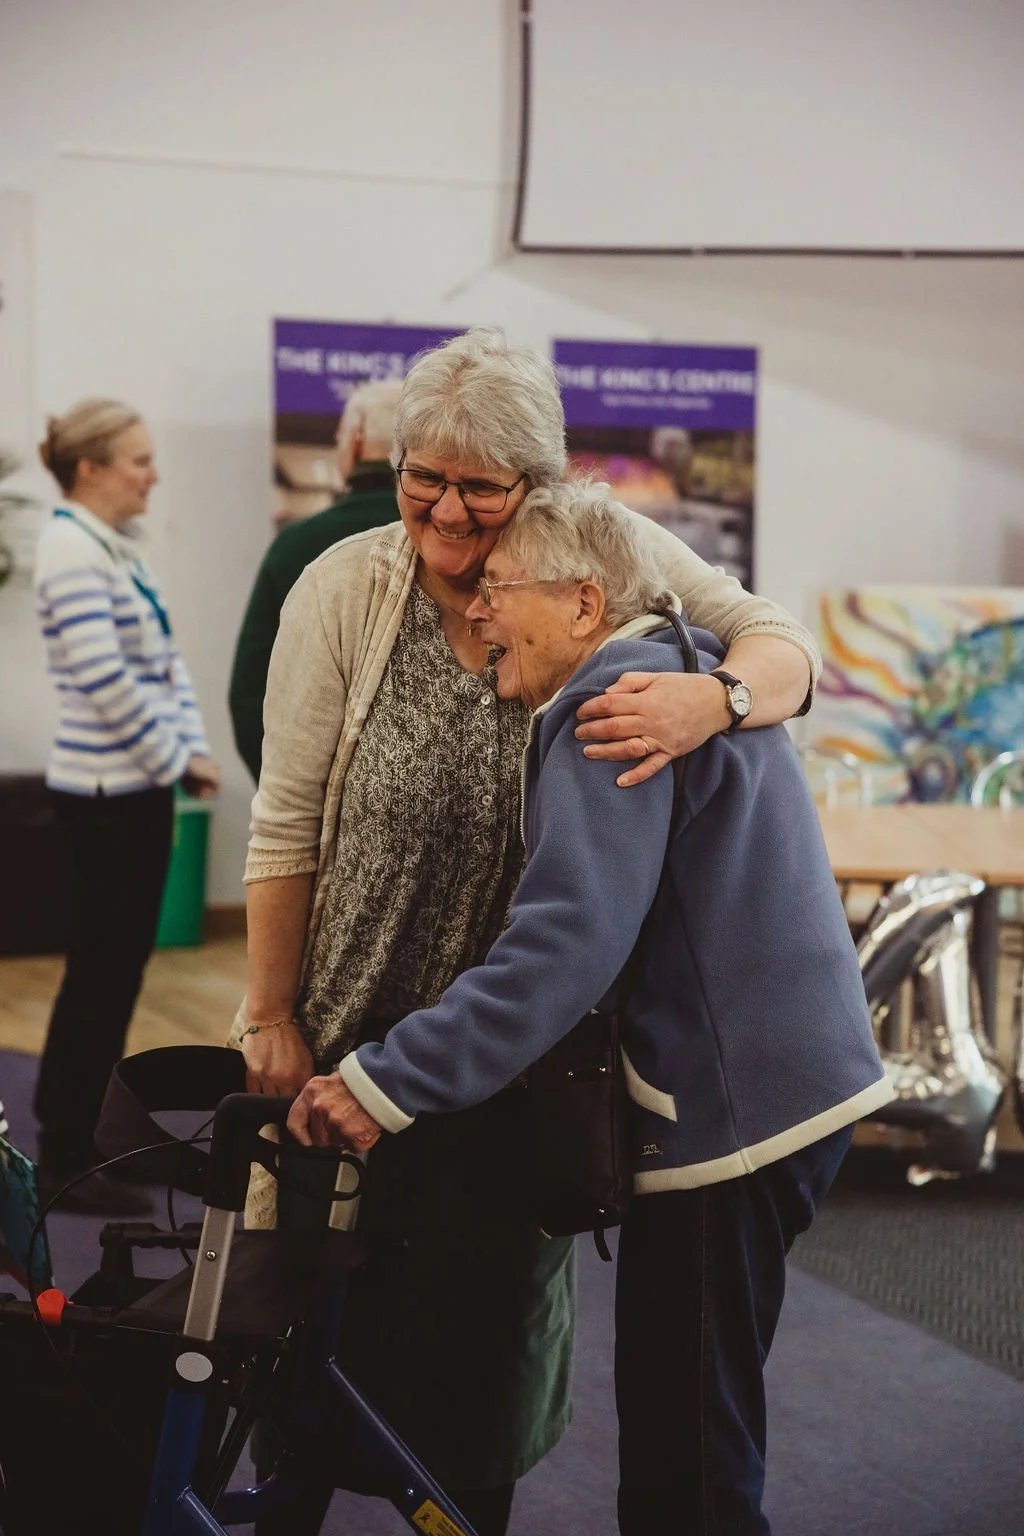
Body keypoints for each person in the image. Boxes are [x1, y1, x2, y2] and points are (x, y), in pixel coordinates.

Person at [239, 328, 822, 1535]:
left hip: (525, 1052)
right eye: (421, 480)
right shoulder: (349, 585)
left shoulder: (603, 601)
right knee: (299, 1346)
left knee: (491, 1382)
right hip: (372, 1026)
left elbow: (784, 654)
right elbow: (285, 821)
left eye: (481, 490)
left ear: (544, 497)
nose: (448, 515)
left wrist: (707, 699)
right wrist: (272, 1009)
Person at [33, 400, 219, 1216]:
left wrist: (190, 753)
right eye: (137, 460)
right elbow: (108, 684)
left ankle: (85, 1139)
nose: (152, 474)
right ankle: (65, 1150)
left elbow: (165, 669)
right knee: (100, 979)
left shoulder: (110, 548)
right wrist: (179, 759)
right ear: (90, 469)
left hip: (134, 788)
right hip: (107, 797)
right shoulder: (71, 548)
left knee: (114, 975)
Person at [229, 380, 402, 782]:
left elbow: (251, 694)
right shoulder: (454, 546)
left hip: (311, 789)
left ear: (355, 441)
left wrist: (284, 793)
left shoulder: (295, 546)